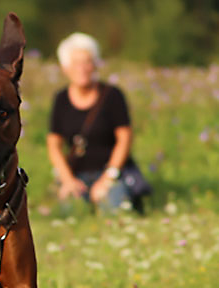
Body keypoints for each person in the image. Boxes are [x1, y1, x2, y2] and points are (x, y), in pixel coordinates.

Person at [45, 33, 146, 214]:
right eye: (76, 63)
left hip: (110, 172)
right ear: (65, 68)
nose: (82, 68)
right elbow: (54, 145)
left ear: (95, 64)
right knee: (70, 213)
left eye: (87, 62)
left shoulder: (113, 95)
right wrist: (68, 180)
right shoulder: (60, 99)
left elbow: (125, 138)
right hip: (76, 174)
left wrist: (108, 178)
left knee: (115, 211)